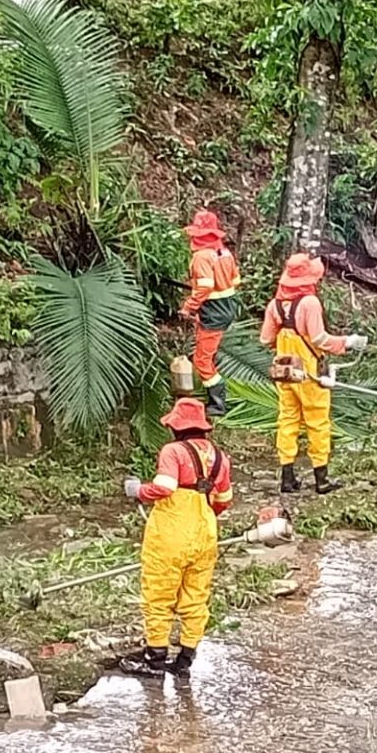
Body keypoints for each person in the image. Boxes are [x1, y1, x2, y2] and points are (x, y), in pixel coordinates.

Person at [122, 398, 234, 678]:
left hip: (171, 534)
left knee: (159, 594)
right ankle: (185, 657)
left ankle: (156, 656)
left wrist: (138, 491)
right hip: (205, 533)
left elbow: (165, 487)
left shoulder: (173, 451)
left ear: (175, 427)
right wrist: (203, 514)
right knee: (196, 596)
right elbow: (224, 499)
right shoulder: (220, 456)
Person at [260, 252, 367, 494]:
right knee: (317, 420)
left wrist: (286, 340)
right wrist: (347, 342)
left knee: (287, 420)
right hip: (309, 371)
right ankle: (321, 479)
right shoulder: (309, 303)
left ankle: (287, 478)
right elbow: (319, 338)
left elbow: (266, 338)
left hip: (284, 370)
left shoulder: (275, 305)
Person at [180, 210, 240, 419]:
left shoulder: (201, 257)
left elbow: (205, 287)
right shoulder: (225, 253)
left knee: (202, 361)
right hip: (226, 308)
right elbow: (235, 281)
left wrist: (189, 306)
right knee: (207, 351)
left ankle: (217, 403)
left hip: (212, 312)